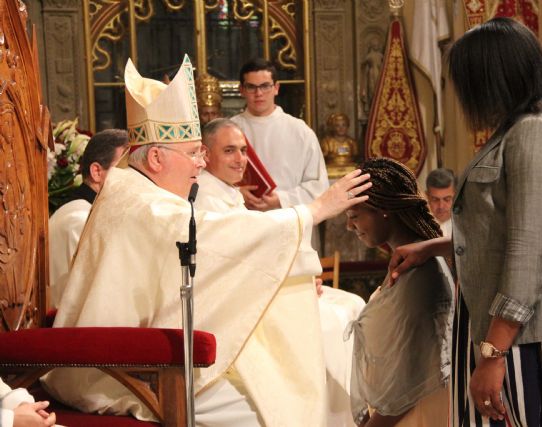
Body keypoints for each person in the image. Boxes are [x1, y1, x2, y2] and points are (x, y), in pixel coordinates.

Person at [43, 55, 371, 427]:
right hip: (117, 371)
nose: (201, 164)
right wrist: (312, 211)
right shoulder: (141, 203)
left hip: (134, 351)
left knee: (269, 380)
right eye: (193, 153)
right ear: (155, 156)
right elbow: (210, 237)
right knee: (260, 408)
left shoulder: (134, 190)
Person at [388, 18, 542, 425]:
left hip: (540, 333)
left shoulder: (534, 134)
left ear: (494, 76)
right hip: (510, 328)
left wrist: (493, 354)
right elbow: (499, 230)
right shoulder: (512, 132)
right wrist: (433, 246)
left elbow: (529, 250)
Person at [195, 117, 366, 427]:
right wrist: (294, 275)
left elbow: (253, 245)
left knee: (351, 305)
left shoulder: (224, 190)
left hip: (257, 288)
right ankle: (330, 416)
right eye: (230, 151)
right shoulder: (206, 196)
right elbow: (239, 252)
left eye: (243, 150)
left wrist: (298, 273)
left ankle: (344, 415)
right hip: (235, 304)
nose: (241, 160)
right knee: (336, 319)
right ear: (206, 155)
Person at [346, 157, 453, 427]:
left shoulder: (421, 272)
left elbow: (412, 379)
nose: (350, 227)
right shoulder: (410, 260)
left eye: (355, 216)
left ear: (382, 209)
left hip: (418, 415)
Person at [231, 58, 329, 213]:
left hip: (289, 218)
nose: (259, 93)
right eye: (251, 87)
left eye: (265, 86)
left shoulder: (300, 131)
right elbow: (212, 181)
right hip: (245, 220)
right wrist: (236, 194)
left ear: (276, 88)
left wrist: (282, 200)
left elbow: (319, 186)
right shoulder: (229, 130)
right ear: (241, 90)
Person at [48, 129, 129, 307]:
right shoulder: (79, 221)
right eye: (125, 170)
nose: (133, 181)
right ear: (97, 172)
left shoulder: (89, 212)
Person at [321, 112, 359, 179]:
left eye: (343, 125)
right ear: (333, 127)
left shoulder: (352, 143)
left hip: (349, 170)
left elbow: (355, 154)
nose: (341, 128)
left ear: (347, 126)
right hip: (331, 171)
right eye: (337, 125)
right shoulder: (327, 142)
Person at [425, 168, 456, 237]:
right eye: (435, 199)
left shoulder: (467, 226)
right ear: (427, 196)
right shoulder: (417, 227)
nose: (441, 206)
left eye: (447, 199)